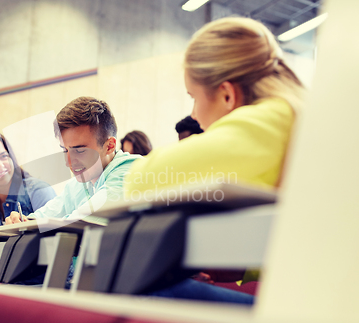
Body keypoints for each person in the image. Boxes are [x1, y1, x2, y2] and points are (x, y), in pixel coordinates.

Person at [126, 17, 305, 303]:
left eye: (193, 97)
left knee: (142, 288)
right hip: (321, 299)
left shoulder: (272, 119)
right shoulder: (299, 111)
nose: (194, 114)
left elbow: (139, 181)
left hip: (310, 315)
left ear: (226, 95)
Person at [6, 96, 140, 222]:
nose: (68, 162)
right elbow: (44, 216)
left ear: (109, 146)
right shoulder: (78, 184)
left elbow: (80, 221)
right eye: (65, 150)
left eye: (80, 151)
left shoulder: (131, 171)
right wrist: (21, 220)